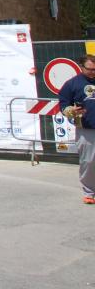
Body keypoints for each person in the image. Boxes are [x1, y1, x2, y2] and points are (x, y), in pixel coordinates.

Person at [58, 53, 95, 205]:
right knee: (89, 161)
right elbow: (63, 104)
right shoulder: (72, 84)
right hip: (86, 129)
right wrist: (70, 111)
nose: (93, 72)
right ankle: (89, 192)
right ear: (81, 67)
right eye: (90, 69)